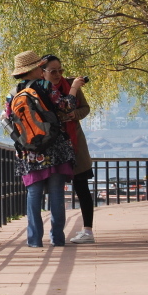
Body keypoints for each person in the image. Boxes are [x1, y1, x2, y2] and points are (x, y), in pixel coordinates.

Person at [7, 50, 77, 248]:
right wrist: (73, 90)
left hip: (29, 151)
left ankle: (34, 240)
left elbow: (8, 120)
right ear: (35, 69)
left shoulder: (13, 93)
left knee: (33, 193)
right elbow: (65, 107)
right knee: (56, 192)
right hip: (54, 147)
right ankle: (57, 238)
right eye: (40, 66)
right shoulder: (46, 87)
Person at [41, 54, 95, 244]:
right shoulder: (42, 90)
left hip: (75, 142)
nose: (57, 75)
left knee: (82, 186)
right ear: (43, 72)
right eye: (53, 71)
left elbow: (85, 108)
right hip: (54, 146)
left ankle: (88, 230)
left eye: (60, 70)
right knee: (54, 187)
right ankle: (55, 233)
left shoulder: (71, 85)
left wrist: (73, 115)